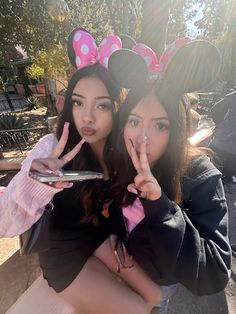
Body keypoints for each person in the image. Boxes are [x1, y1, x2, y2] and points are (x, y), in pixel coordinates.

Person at [0, 29, 162, 314]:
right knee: (136, 309)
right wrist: (38, 181)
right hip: (63, 254)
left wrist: (114, 234)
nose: (87, 116)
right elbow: (9, 218)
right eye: (78, 102)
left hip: (95, 238)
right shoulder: (51, 148)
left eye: (101, 105)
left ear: (117, 108)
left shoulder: (119, 151)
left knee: (156, 295)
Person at [95, 37, 232, 314]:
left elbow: (216, 273)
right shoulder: (122, 163)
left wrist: (162, 208)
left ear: (178, 129)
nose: (142, 138)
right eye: (134, 122)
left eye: (160, 125)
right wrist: (111, 235)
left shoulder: (200, 178)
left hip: (165, 287)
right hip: (125, 277)